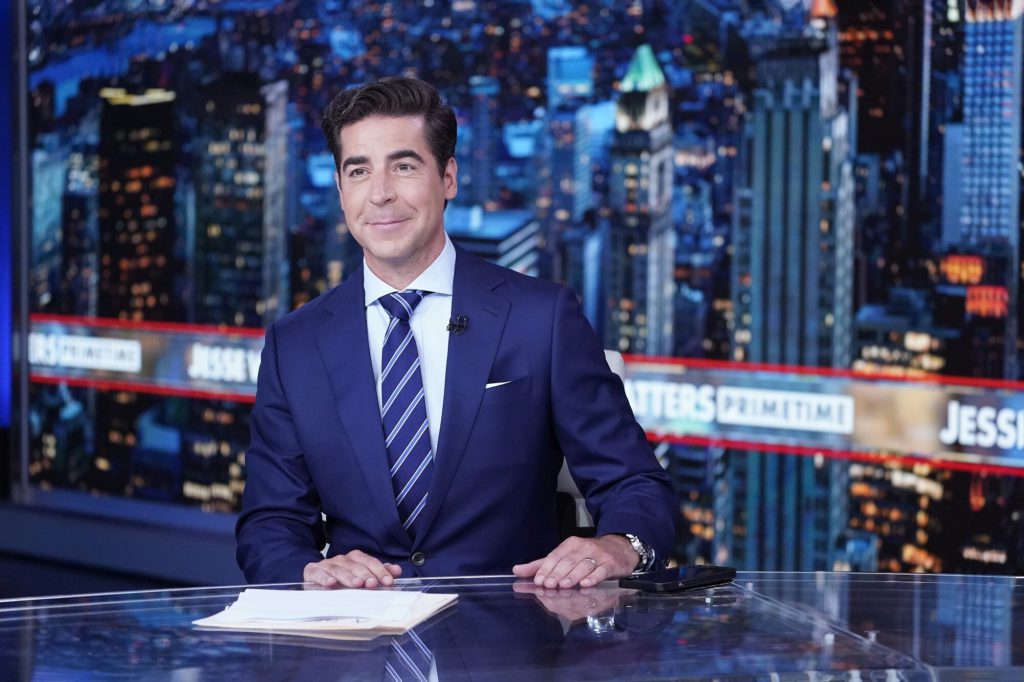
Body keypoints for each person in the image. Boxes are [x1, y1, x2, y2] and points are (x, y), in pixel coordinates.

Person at [236, 77, 679, 590]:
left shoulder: (542, 318)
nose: (380, 193)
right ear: (340, 190)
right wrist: (308, 571)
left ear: (448, 177)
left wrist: (619, 545)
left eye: (404, 166)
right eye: (359, 171)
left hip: (511, 626)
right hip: (361, 629)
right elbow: (270, 524)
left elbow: (634, 481)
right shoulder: (295, 345)